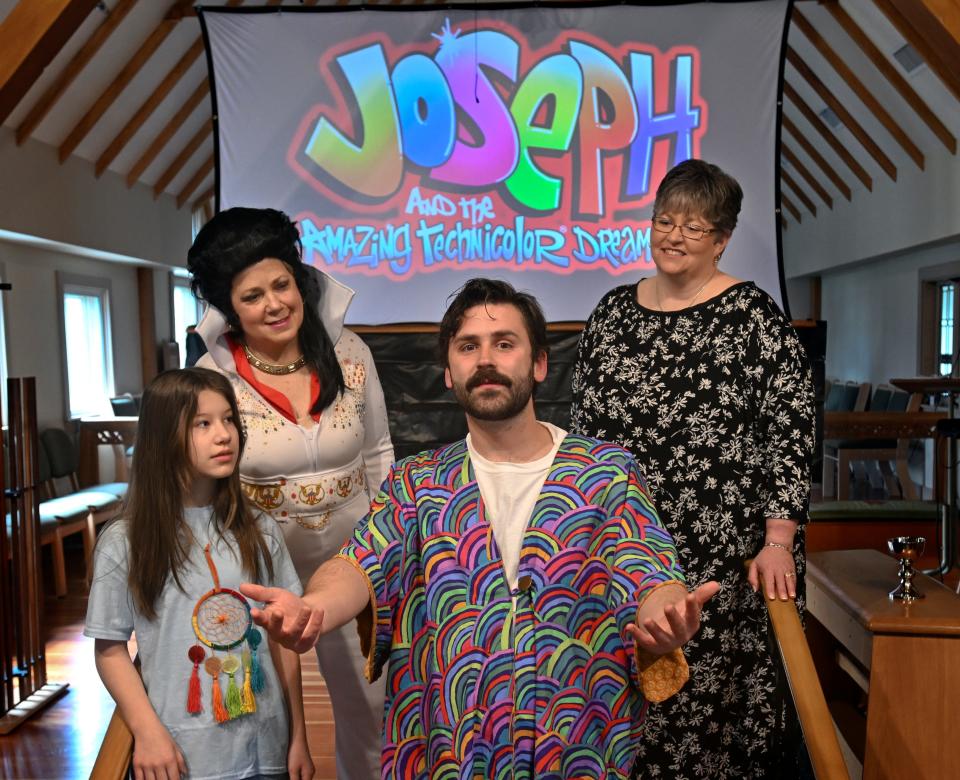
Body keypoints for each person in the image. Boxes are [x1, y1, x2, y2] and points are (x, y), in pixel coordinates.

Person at [241, 278, 720, 779]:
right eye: (468, 347)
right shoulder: (419, 482)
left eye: (505, 344)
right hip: (448, 748)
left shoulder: (606, 473)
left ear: (539, 365)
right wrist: (313, 608)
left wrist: (666, 615)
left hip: (575, 743)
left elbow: (647, 571)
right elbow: (359, 564)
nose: (485, 359)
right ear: (449, 373)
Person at [571, 158, 816, 778]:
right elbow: (582, 431)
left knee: (710, 721)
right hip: (626, 546)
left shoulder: (754, 316)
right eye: (664, 220)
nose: (674, 236)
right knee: (622, 707)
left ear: (723, 239)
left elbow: (789, 430)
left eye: (695, 227)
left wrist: (780, 539)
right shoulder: (612, 313)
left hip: (723, 558)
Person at [188, 207, 394, 780]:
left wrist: (387, 547)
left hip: (355, 563)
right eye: (252, 296)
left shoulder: (349, 352)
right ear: (230, 308)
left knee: (373, 712)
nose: (274, 304)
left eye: (282, 284)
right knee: (259, 717)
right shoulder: (212, 375)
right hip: (256, 569)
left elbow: (378, 453)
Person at [85, 368, 312, 780]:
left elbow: (282, 641)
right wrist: (147, 732)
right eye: (202, 424)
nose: (224, 435)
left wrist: (299, 736)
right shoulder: (125, 540)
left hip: (268, 748)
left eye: (228, 419)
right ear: (162, 437)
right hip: (182, 755)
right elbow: (110, 649)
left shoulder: (259, 528)